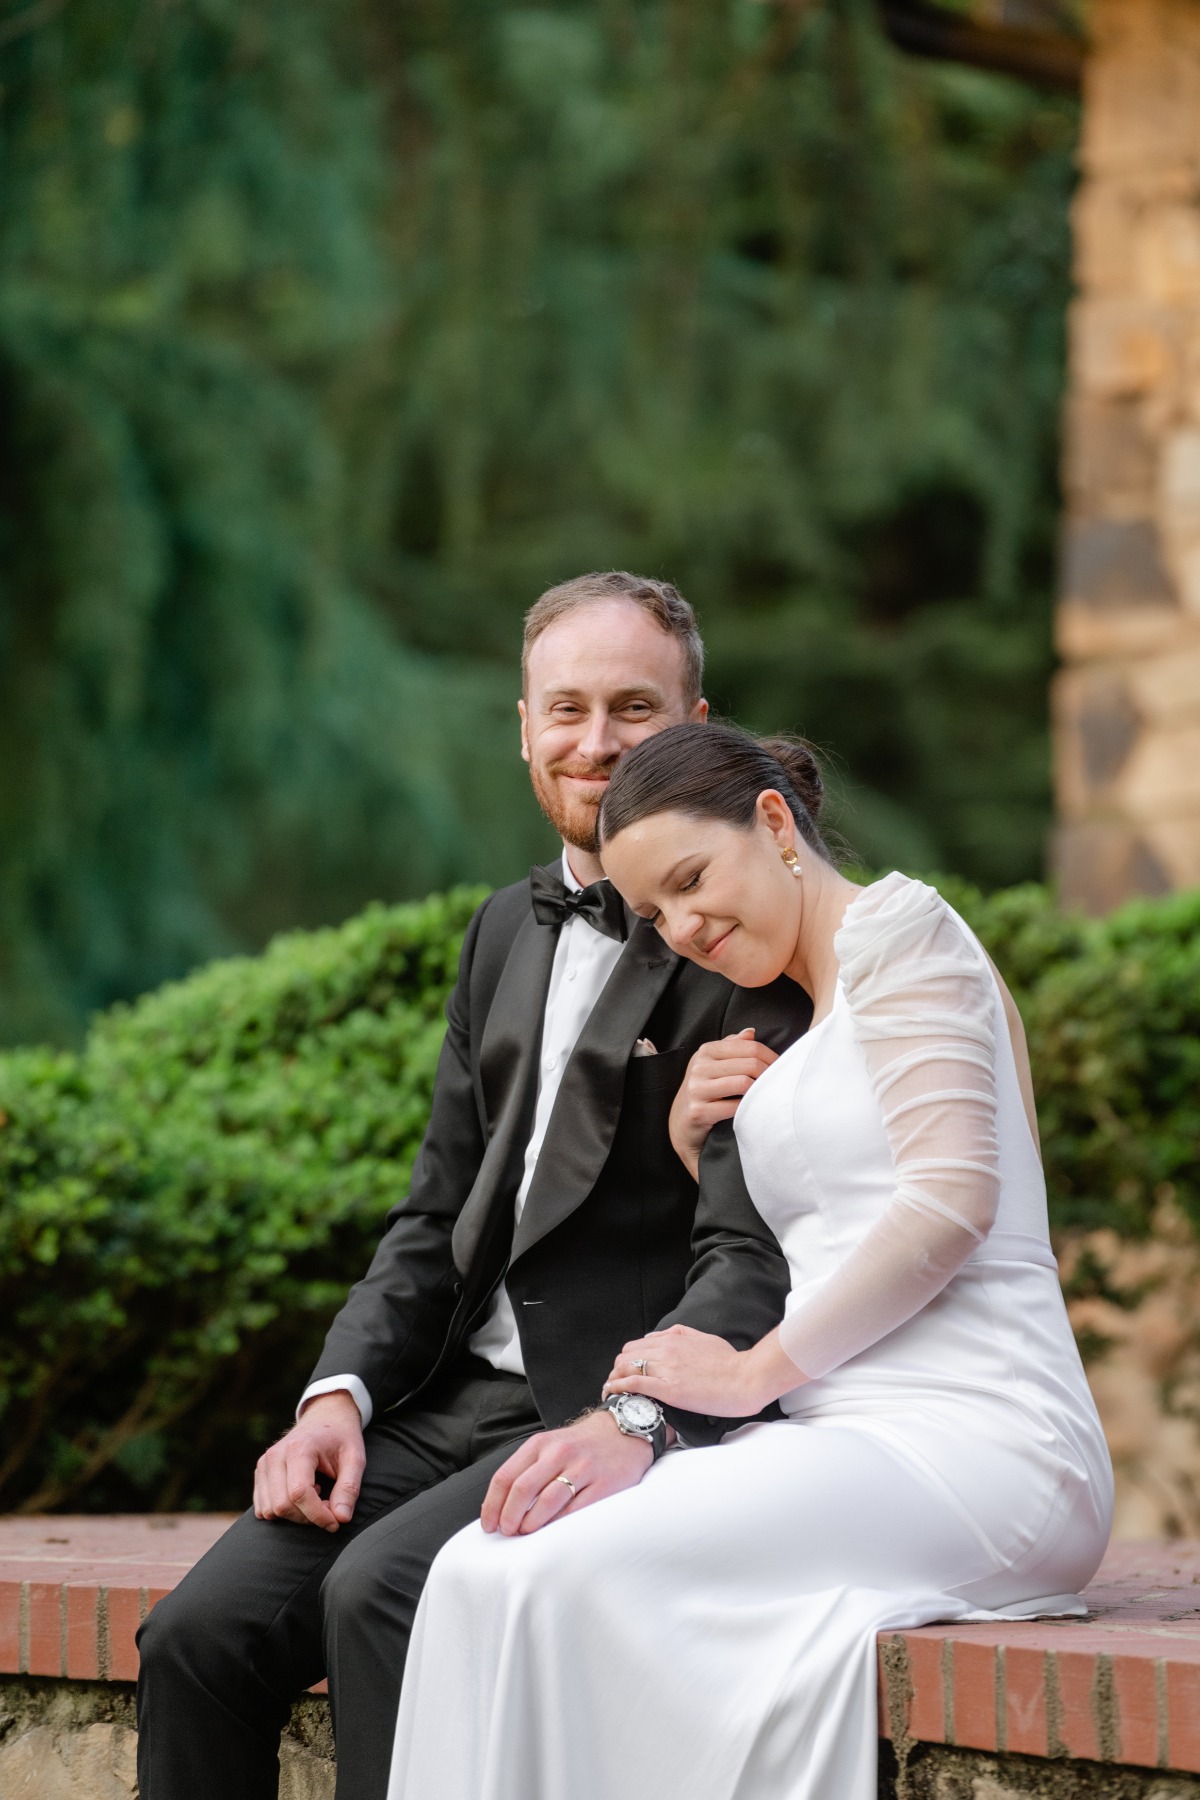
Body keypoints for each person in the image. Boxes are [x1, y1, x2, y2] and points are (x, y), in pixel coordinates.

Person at [135, 579, 813, 1800]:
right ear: (522, 724)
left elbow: (750, 1257)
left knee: (380, 1595)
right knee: (198, 1639)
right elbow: (434, 1214)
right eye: (567, 708)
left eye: (634, 707)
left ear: (697, 720)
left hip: (604, 1409)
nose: (595, 741)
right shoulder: (505, 929)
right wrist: (336, 1394)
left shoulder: (740, 938)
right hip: (445, 1399)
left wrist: (644, 1416)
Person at [387, 721, 1114, 1800]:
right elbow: (827, 1222)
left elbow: (955, 1205)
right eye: (654, 913)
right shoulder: (800, 1036)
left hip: (982, 1442)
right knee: (480, 1568)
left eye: (691, 879)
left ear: (774, 822)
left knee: (557, 1575)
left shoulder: (904, 935)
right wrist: (698, 1144)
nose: (683, 928)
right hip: (842, 1441)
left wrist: (748, 1373)